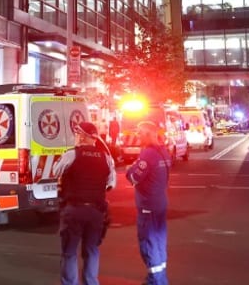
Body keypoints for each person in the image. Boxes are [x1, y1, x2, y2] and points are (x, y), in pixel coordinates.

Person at [52, 121, 116, 285]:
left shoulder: (72, 154)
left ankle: (70, 283)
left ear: (82, 136)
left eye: (78, 134)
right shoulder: (106, 158)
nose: (76, 137)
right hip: (96, 212)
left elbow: (56, 171)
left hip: (74, 209)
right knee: (92, 251)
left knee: (70, 252)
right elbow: (111, 184)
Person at [126, 121, 171, 285]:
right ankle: (160, 278)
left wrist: (130, 169)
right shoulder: (164, 152)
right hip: (160, 203)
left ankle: (156, 280)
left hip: (148, 207)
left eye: (139, 133)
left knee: (148, 244)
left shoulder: (148, 154)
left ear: (147, 134)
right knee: (159, 242)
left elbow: (133, 177)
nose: (137, 136)